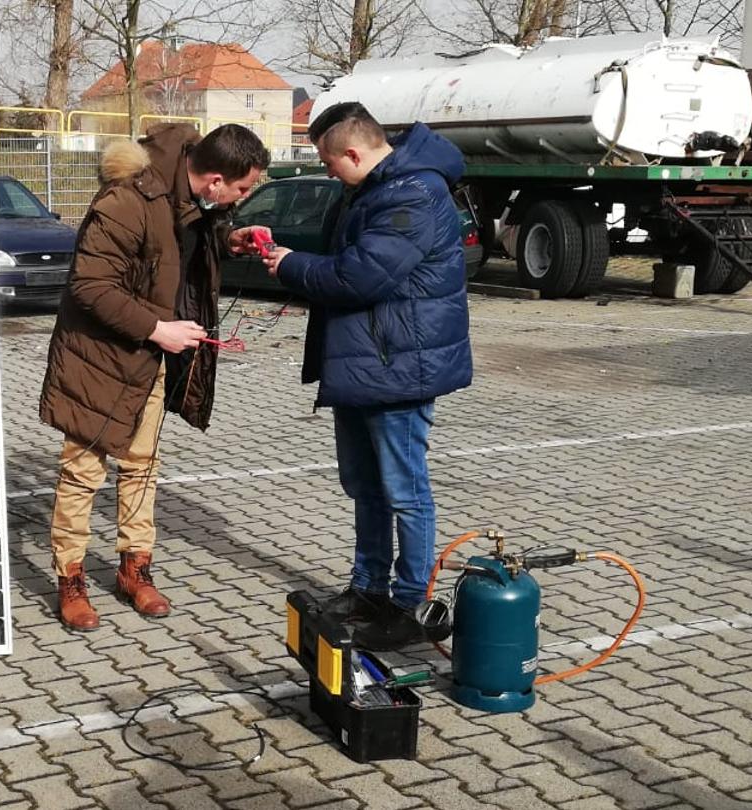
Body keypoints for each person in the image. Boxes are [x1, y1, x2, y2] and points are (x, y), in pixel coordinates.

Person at [254, 101, 473, 650]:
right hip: (363, 362)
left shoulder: (414, 192)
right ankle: (369, 586)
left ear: (354, 151)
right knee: (364, 485)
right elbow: (347, 260)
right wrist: (283, 251)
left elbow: (360, 277)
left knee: (403, 490)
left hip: (398, 365)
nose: (328, 174)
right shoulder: (372, 187)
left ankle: (408, 604)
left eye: (330, 164)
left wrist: (289, 265)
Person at [38, 123, 270, 632]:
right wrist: (157, 328)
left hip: (149, 359)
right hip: (98, 359)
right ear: (213, 180)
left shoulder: (192, 200)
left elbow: (179, 254)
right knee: (82, 474)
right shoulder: (127, 200)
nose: (243, 196)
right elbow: (90, 286)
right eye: (242, 188)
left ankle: (134, 568)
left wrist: (231, 239)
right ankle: (70, 579)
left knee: (142, 466)